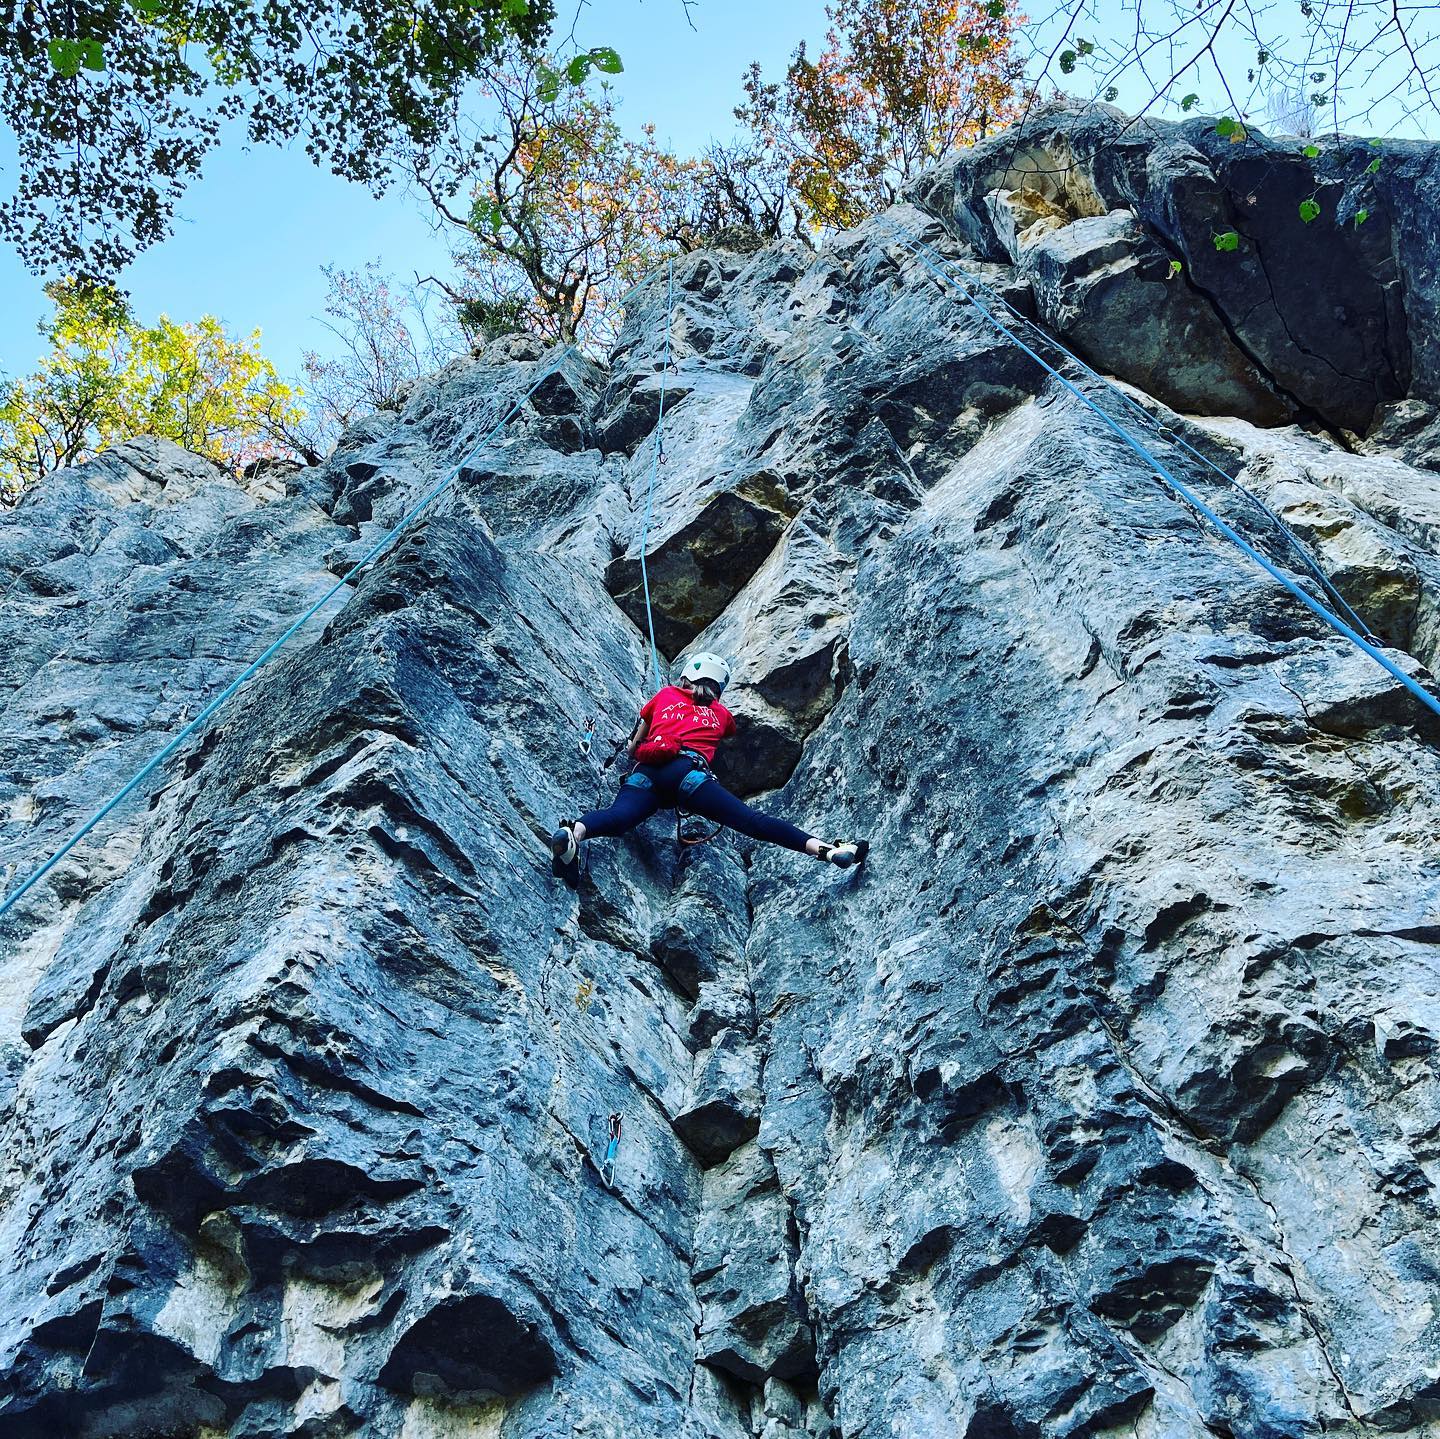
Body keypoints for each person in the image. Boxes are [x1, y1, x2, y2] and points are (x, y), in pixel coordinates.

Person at [551, 651, 867, 872]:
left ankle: (575, 833)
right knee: (753, 822)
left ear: (686, 676)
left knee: (618, 816)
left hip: (646, 773)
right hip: (688, 775)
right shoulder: (722, 715)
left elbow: (635, 747)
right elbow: (723, 729)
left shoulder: (664, 696)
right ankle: (827, 850)